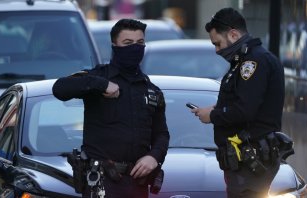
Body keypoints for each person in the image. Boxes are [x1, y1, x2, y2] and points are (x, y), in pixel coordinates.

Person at [52, 19, 169, 198]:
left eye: (140, 43)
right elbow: (59, 88)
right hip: (101, 181)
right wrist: (100, 84)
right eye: (128, 43)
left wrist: (154, 157)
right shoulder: (97, 77)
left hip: (137, 181)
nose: (135, 48)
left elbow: (161, 134)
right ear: (114, 45)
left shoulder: (151, 90)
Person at [191, 8, 285, 198]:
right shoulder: (244, 61)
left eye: (218, 43)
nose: (217, 50)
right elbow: (246, 102)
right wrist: (217, 108)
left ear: (233, 34)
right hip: (244, 161)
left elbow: (244, 110)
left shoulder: (253, 62)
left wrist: (213, 116)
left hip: (251, 161)